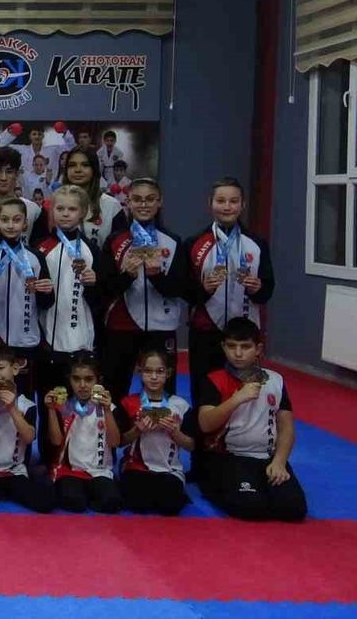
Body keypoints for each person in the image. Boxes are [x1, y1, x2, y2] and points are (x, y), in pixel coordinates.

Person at [196, 318, 306, 521]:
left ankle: (257, 484)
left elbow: (286, 427)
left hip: (267, 456)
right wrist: (237, 399)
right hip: (232, 456)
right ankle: (214, 485)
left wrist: (280, 461)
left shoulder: (276, 380)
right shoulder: (215, 380)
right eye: (232, 346)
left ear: (258, 349)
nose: (238, 353)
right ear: (223, 347)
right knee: (251, 508)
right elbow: (205, 424)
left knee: (294, 509)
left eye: (245, 347)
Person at [183, 177, 274, 407]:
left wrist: (257, 288)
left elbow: (268, 290)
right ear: (210, 204)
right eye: (221, 201)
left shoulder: (257, 243)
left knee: (244, 395)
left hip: (243, 335)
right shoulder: (194, 243)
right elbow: (184, 291)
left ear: (243, 205)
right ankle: (203, 432)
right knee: (203, 394)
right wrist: (203, 290)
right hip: (205, 331)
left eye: (233, 201)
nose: (227, 206)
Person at [99, 179, 185, 399]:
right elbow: (105, 289)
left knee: (163, 394)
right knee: (114, 391)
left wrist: (157, 276)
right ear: (128, 202)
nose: (144, 205)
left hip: (161, 328)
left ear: (160, 202)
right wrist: (127, 276)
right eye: (137, 199)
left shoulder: (173, 241)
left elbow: (180, 289)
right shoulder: (115, 241)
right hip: (121, 325)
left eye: (150, 199)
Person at [33, 185, 100, 463]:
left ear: (83, 212)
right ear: (51, 211)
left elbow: (101, 299)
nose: (65, 214)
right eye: (60, 208)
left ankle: (78, 459)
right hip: (48, 341)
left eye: (72, 209)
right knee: (49, 403)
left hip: (81, 341)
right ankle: (49, 459)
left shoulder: (92, 250)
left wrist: (95, 284)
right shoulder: (40, 248)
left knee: (79, 404)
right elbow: (34, 299)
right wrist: (40, 291)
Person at [0, 198, 47, 399]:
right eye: (5, 220)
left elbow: (46, 302)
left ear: (25, 224)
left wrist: (45, 291)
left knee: (23, 398)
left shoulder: (36, 257)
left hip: (25, 339)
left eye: (16, 220)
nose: (11, 225)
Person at [0, 347, 53, 513]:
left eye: (0, 368)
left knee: (45, 503)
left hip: (14, 471)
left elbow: (29, 438)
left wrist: (12, 408)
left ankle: (5, 489)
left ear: (15, 369)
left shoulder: (27, 405)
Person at [44, 352, 122, 513]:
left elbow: (115, 442)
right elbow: (56, 441)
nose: (82, 385)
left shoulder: (109, 408)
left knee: (112, 503)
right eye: (76, 379)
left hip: (100, 472)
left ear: (98, 381)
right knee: (73, 502)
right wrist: (51, 410)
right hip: (71, 471)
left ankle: (91, 494)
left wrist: (107, 411)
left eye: (88, 379)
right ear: (69, 380)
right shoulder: (63, 407)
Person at [119, 349, 193, 516]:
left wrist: (175, 432)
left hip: (169, 469)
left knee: (170, 507)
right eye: (148, 371)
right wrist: (137, 430)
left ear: (168, 373)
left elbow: (191, 446)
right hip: (136, 467)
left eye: (159, 371)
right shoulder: (129, 402)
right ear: (139, 372)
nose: (153, 377)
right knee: (137, 505)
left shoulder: (180, 405)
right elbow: (119, 442)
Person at [54, 147, 123, 249]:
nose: (78, 170)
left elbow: (120, 249)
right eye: (72, 165)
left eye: (85, 165)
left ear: (94, 169)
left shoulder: (112, 206)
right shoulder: (52, 205)